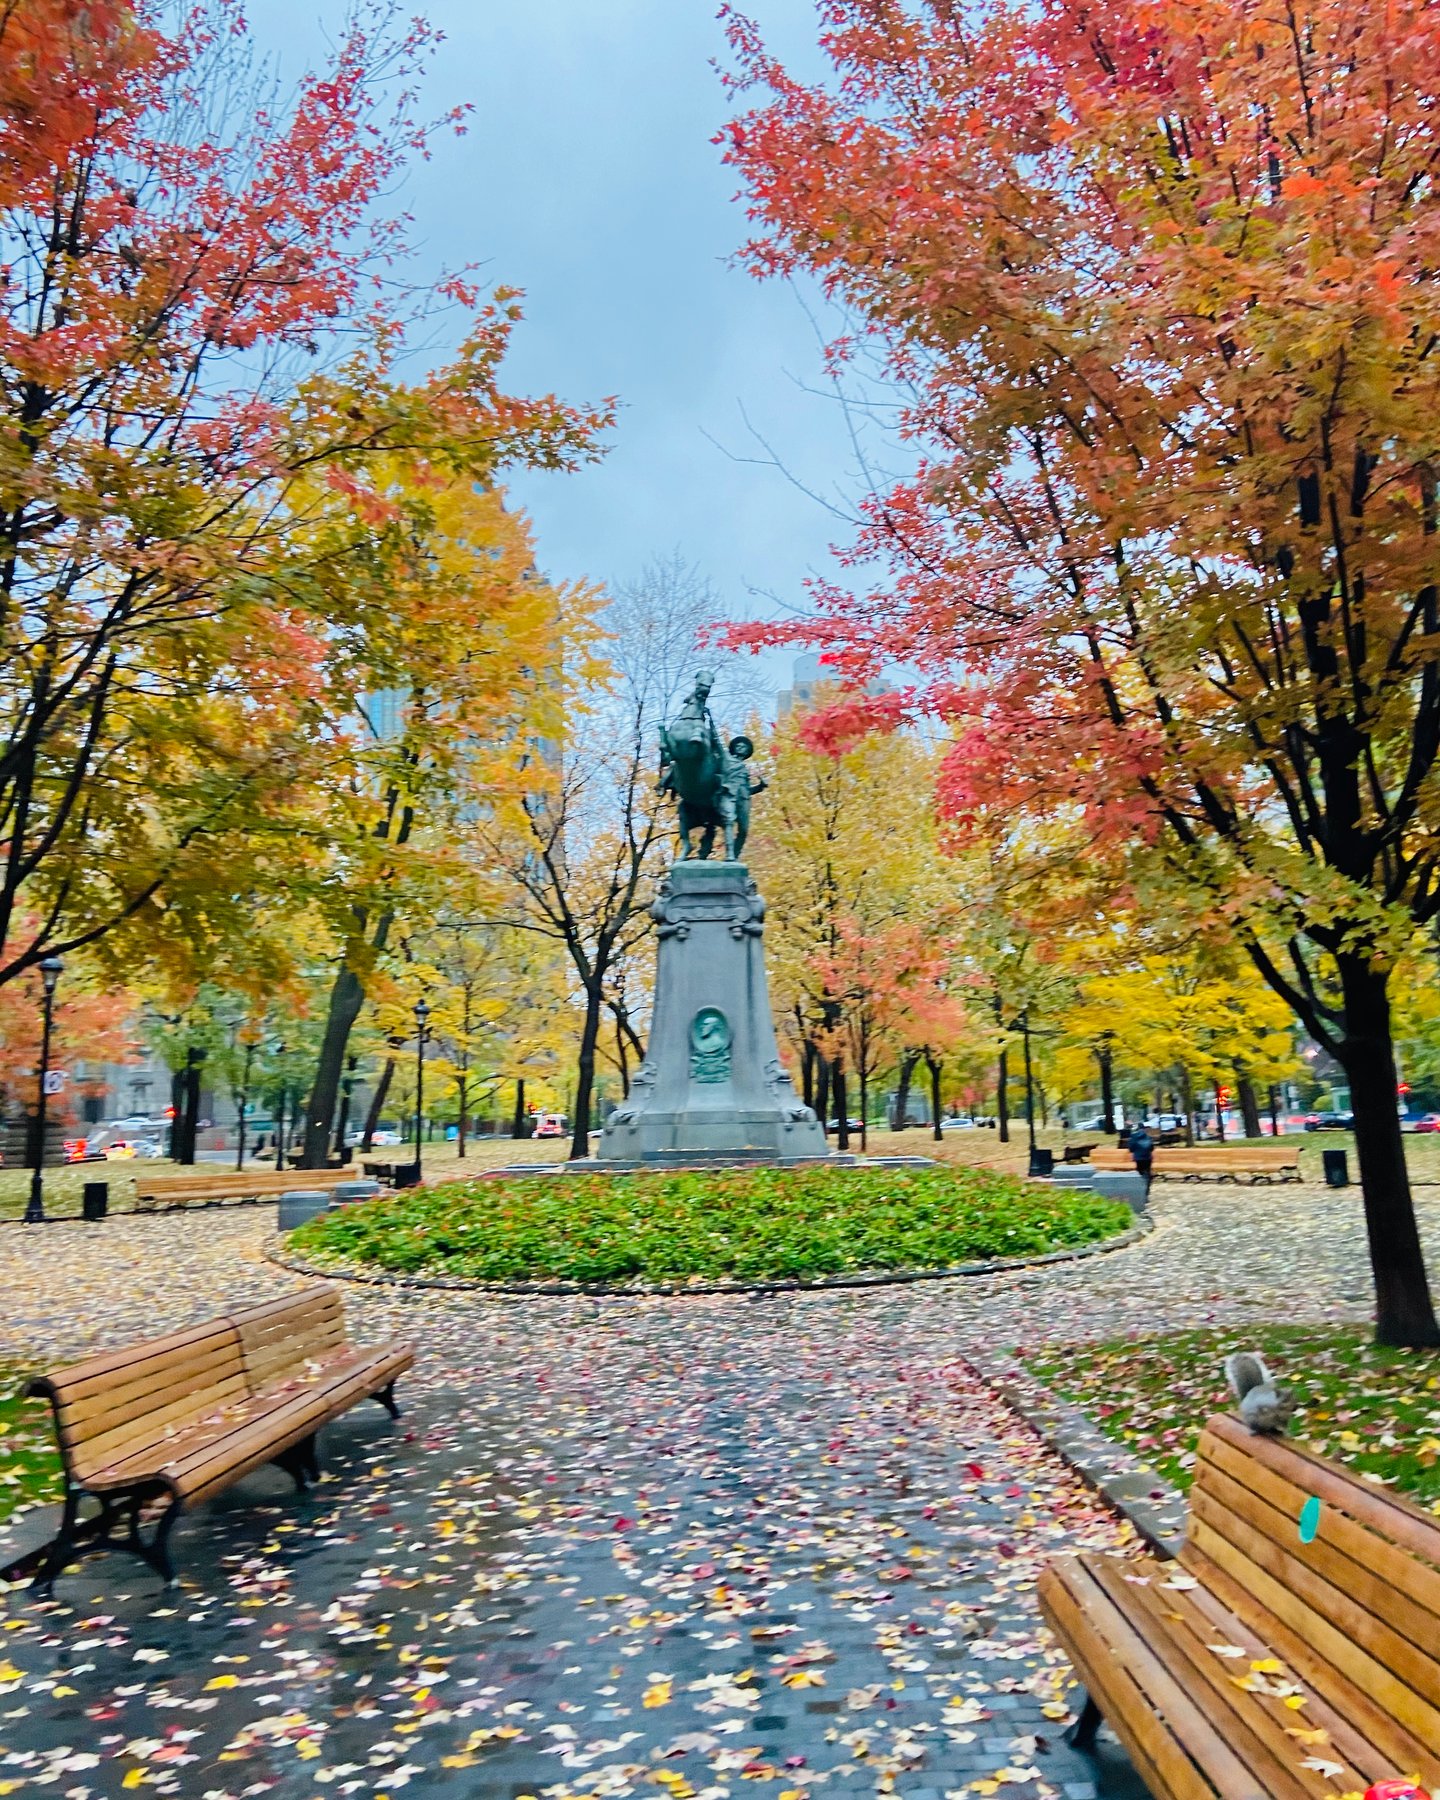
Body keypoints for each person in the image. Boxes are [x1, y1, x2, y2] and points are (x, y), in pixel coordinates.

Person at [1126, 1117, 1155, 1187]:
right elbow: (1151, 1148)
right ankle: (1147, 1186)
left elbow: (1131, 1149)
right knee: (1147, 1172)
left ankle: (1141, 1187)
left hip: (1138, 1158)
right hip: (1148, 1157)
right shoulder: (1148, 1137)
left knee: (1140, 1172)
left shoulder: (1134, 1136)